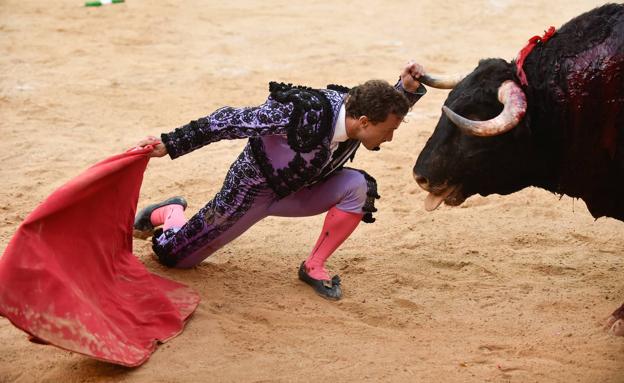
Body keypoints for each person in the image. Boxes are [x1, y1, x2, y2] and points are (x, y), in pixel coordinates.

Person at [133, 61, 427, 300]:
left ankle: (314, 265)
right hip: (250, 193)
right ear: (363, 122)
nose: (389, 138)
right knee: (174, 258)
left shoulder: (362, 114)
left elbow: (384, 108)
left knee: (358, 188)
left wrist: (407, 90)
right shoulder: (301, 111)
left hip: (301, 192)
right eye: (389, 131)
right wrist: (171, 142)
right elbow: (230, 121)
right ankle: (170, 213)